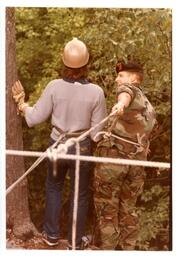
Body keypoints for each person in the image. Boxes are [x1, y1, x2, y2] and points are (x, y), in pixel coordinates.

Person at [12, 38, 107, 250]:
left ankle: (52, 236)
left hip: (57, 144)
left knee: (54, 187)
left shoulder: (54, 87)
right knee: (79, 194)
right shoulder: (97, 92)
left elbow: (34, 118)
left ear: (64, 63)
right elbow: (97, 134)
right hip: (81, 148)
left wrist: (22, 104)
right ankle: (74, 242)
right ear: (86, 64)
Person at [93, 60, 156, 250]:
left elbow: (125, 94)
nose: (117, 79)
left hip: (115, 161)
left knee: (107, 209)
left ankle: (108, 251)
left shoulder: (130, 91)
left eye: (121, 75)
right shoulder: (148, 105)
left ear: (134, 78)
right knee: (129, 209)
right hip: (136, 165)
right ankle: (128, 250)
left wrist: (120, 104)